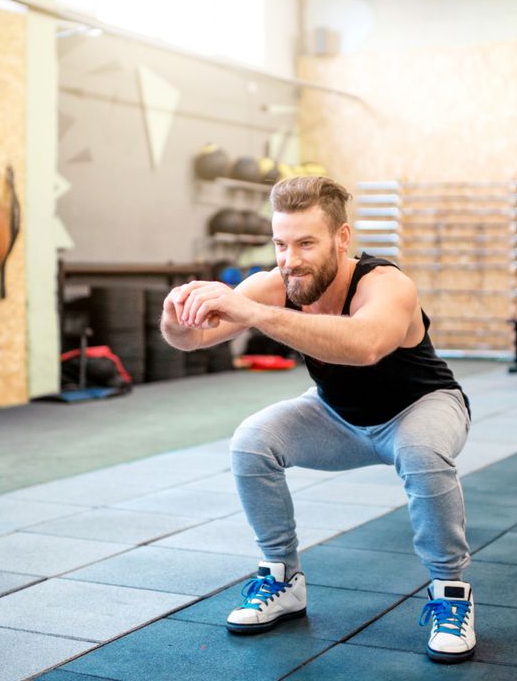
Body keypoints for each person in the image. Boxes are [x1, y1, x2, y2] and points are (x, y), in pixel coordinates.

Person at [159, 176, 475, 664]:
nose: (291, 259)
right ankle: (282, 579)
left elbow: (365, 345)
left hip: (422, 407)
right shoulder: (276, 284)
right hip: (337, 415)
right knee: (252, 441)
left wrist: (253, 313)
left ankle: (451, 594)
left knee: (420, 452)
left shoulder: (387, 284)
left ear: (341, 238)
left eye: (306, 243)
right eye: (281, 244)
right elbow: (195, 339)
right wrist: (176, 318)